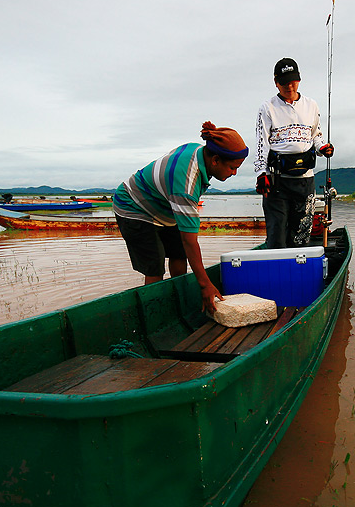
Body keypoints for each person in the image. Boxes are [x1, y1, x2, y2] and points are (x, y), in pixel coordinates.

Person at [113, 121, 248, 314]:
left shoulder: (198, 151)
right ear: (215, 160)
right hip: (134, 206)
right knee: (154, 265)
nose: (234, 173)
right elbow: (190, 240)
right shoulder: (186, 184)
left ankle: (180, 304)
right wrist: (205, 284)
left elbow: (185, 244)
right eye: (232, 167)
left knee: (179, 254)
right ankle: (154, 313)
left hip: (164, 205)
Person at [255, 57, 334, 248]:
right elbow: (261, 143)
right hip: (277, 181)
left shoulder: (311, 105)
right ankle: (276, 273)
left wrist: (322, 147)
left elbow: (316, 135)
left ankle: (298, 272)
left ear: (299, 80)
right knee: (277, 235)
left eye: (293, 81)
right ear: (276, 83)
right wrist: (260, 174)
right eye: (284, 82)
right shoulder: (267, 108)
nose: (289, 86)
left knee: (301, 234)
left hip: (305, 181)